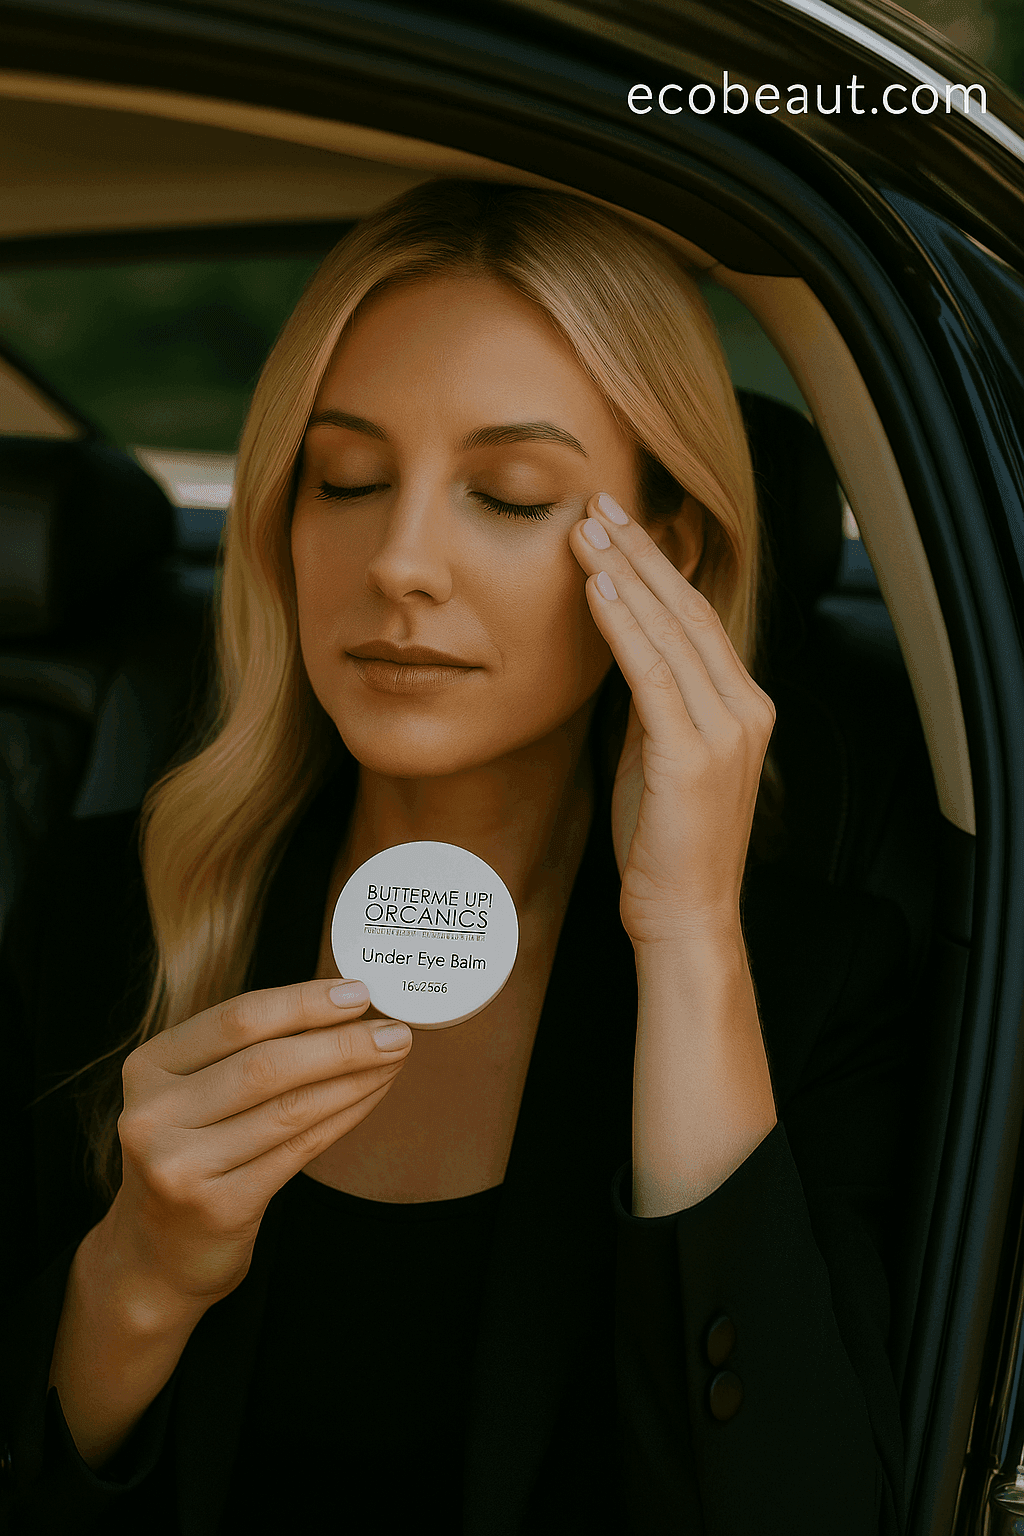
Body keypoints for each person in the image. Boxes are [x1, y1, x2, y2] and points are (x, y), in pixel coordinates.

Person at [0, 179, 910, 1535]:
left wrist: (687, 940)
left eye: (510, 493)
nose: (400, 560)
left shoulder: (819, 987)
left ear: (663, 552)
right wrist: (133, 1281)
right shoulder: (103, 911)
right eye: (347, 479)